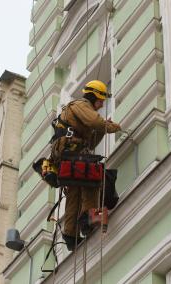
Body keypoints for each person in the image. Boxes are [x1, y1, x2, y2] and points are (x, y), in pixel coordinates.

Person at [51, 80, 121, 251]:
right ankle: (89, 219)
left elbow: (90, 142)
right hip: (73, 154)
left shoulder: (79, 113)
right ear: (95, 96)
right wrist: (112, 126)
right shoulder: (81, 105)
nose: (102, 104)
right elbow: (96, 122)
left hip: (69, 155)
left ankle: (70, 235)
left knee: (74, 192)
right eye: (102, 99)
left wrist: (102, 129)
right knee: (93, 180)